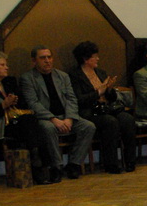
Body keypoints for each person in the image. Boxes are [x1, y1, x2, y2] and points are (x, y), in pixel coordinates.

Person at [19, 45, 96, 181]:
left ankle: (74, 164)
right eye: (43, 58)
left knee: (88, 126)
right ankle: (56, 166)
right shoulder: (27, 78)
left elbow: (72, 99)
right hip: (45, 118)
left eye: (49, 57)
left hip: (65, 116)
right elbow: (33, 103)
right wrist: (53, 119)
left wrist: (69, 118)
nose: (47, 61)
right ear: (34, 61)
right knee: (48, 129)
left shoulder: (62, 76)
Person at [0, 51, 49, 183]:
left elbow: (23, 104)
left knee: (34, 124)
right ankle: (38, 166)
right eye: (2, 65)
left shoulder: (10, 82)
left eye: (6, 65)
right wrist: (3, 105)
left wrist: (15, 101)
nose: (6, 67)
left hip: (16, 121)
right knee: (28, 126)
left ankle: (39, 163)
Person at [69, 41, 137, 174]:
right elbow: (79, 100)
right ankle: (111, 163)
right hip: (90, 112)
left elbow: (112, 97)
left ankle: (130, 161)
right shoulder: (74, 75)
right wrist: (99, 92)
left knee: (127, 119)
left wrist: (109, 89)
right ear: (85, 59)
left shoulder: (100, 72)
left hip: (107, 108)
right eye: (95, 56)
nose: (98, 59)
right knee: (110, 122)